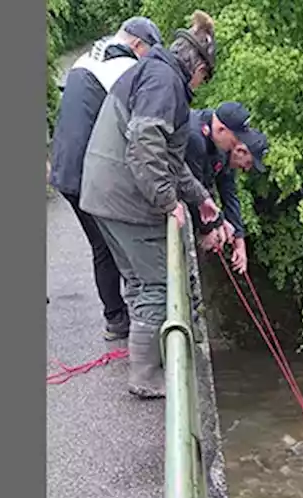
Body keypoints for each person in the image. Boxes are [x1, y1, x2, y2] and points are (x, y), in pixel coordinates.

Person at [79, 11, 221, 399]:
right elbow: (145, 147)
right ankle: (145, 375)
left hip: (103, 192)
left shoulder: (159, 75)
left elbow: (171, 162)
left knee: (141, 282)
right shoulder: (164, 82)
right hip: (123, 198)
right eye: (205, 78)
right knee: (156, 282)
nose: (202, 86)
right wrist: (168, 201)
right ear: (198, 69)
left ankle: (147, 363)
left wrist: (202, 199)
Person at [48, 17, 163, 341]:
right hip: (86, 171)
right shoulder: (123, 68)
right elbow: (138, 127)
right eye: (149, 54)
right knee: (110, 243)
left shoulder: (89, 59)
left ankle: (118, 317)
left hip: (64, 167)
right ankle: (121, 319)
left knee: (102, 243)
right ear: (138, 45)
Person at [184, 101, 269, 275]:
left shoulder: (221, 146)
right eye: (249, 164)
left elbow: (229, 193)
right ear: (241, 151)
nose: (246, 169)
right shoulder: (196, 138)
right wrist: (210, 227)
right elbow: (193, 189)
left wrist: (239, 240)